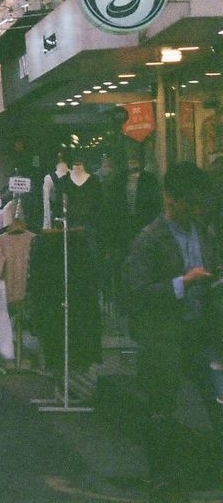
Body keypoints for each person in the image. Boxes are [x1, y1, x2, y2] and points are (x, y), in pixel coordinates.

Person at [126, 161, 223, 503]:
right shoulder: (150, 239)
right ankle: (162, 479)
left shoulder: (204, 233)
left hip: (200, 333)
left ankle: (209, 469)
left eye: (199, 202)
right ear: (170, 199)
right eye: (188, 202)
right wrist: (183, 283)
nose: (195, 209)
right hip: (164, 335)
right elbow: (136, 293)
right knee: (161, 407)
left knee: (215, 400)